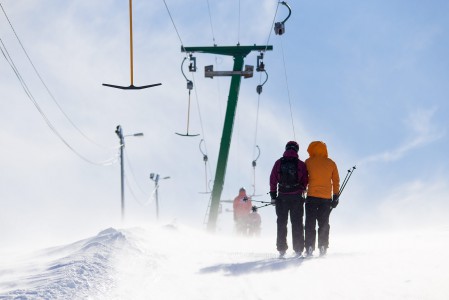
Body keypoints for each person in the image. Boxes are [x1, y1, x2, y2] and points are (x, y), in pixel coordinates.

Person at [270, 141, 308, 257]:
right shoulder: (300, 164)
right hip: (296, 197)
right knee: (297, 223)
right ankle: (298, 249)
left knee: (281, 222)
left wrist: (273, 196)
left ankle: (281, 249)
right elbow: (306, 180)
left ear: (286, 149)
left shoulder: (279, 162)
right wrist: (302, 188)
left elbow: (273, 179)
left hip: (282, 197)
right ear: (297, 150)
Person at [304, 141, 340, 257]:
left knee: (310, 223)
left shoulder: (308, 162)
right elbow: (336, 181)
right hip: (326, 198)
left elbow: (304, 179)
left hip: (311, 197)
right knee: (324, 223)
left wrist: (302, 191)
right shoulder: (331, 163)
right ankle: (323, 246)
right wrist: (336, 196)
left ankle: (309, 246)